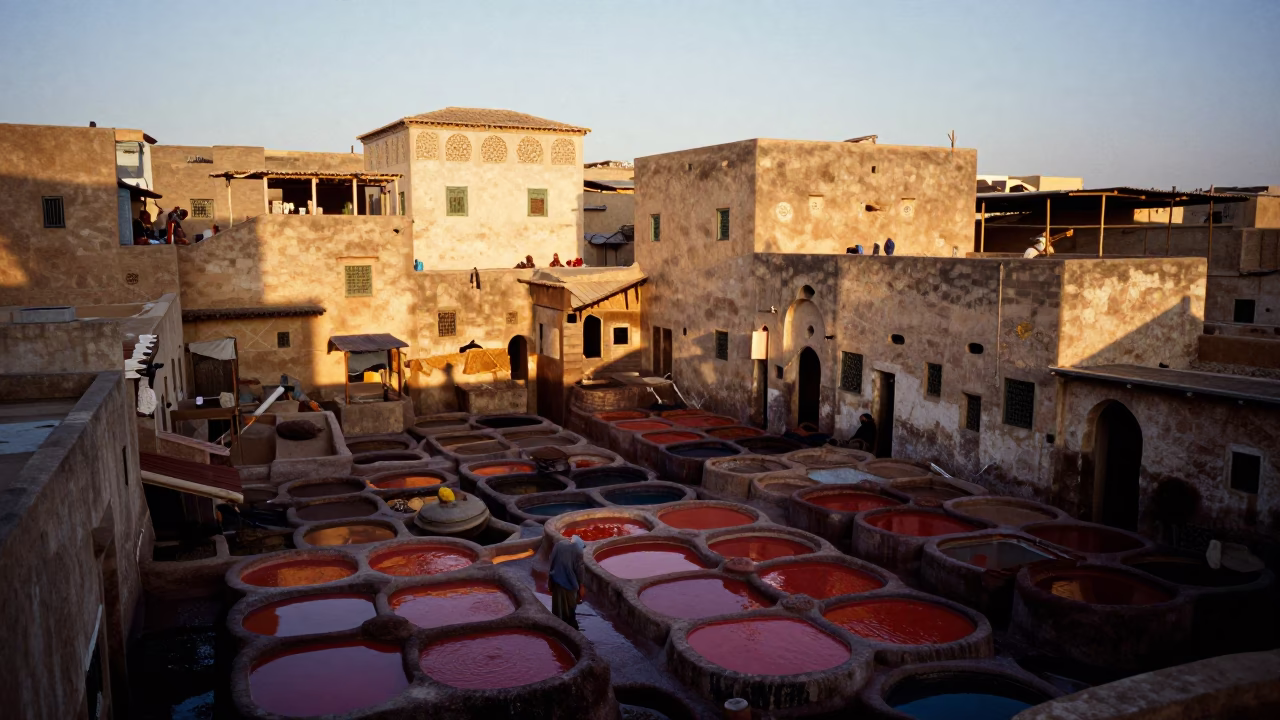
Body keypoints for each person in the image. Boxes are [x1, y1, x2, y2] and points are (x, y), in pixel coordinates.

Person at [548, 535, 586, 630]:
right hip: (570, 584)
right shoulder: (577, 550)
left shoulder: (558, 546)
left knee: (557, 608)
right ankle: (570, 631)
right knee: (569, 610)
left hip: (556, 580)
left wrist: (550, 580)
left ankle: (557, 628)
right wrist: (581, 585)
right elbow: (579, 570)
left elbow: (551, 562)